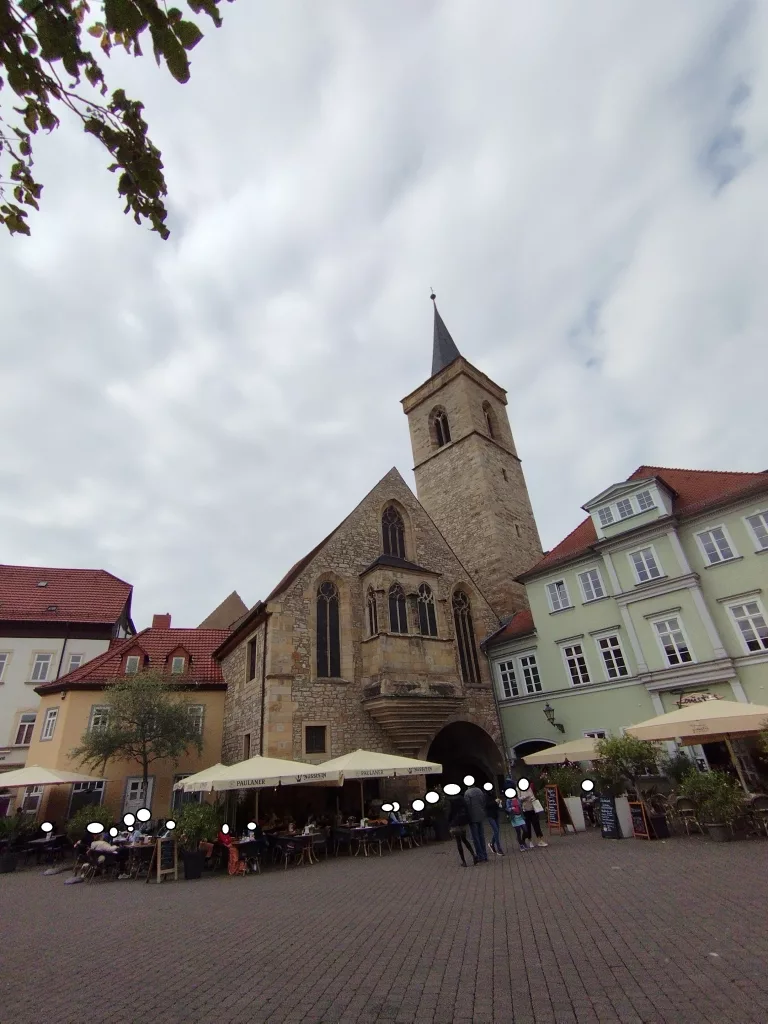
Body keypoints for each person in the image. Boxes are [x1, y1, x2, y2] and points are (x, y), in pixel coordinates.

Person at [448, 793, 477, 867]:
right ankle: (473, 855)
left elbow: (450, 813)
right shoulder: (461, 798)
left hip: (455, 823)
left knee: (458, 842)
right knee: (464, 839)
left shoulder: (451, 800)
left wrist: (449, 821)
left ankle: (464, 861)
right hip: (463, 821)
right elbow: (466, 809)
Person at [463, 782, 489, 862]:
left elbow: (467, 805)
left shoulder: (467, 793)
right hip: (481, 815)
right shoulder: (479, 791)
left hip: (473, 817)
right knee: (481, 836)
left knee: (475, 838)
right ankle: (485, 855)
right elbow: (483, 802)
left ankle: (480, 855)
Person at [520, 783, 548, 849]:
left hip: (533, 808)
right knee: (528, 826)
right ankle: (530, 841)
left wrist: (533, 798)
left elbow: (533, 795)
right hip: (525, 810)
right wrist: (524, 798)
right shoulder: (519, 789)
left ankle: (540, 840)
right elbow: (518, 799)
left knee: (536, 825)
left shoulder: (529, 788)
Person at [485, 790, 504, 856]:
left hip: (495, 815)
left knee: (497, 831)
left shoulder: (493, 794)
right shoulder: (485, 796)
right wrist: (495, 802)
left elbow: (496, 805)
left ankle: (491, 844)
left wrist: (499, 803)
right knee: (496, 830)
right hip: (490, 816)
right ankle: (499, 849)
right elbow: (486, 805)